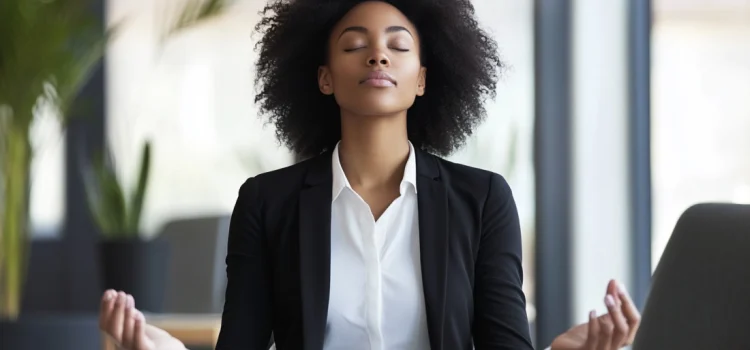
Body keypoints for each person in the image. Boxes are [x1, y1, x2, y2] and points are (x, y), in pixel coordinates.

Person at [99, 0, 641, 349]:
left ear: (424, 79)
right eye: (355, 46)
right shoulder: (268, 202)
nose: (378, 56)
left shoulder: (483, 200)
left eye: (398, 46)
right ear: (325, 78)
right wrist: (157, 348)